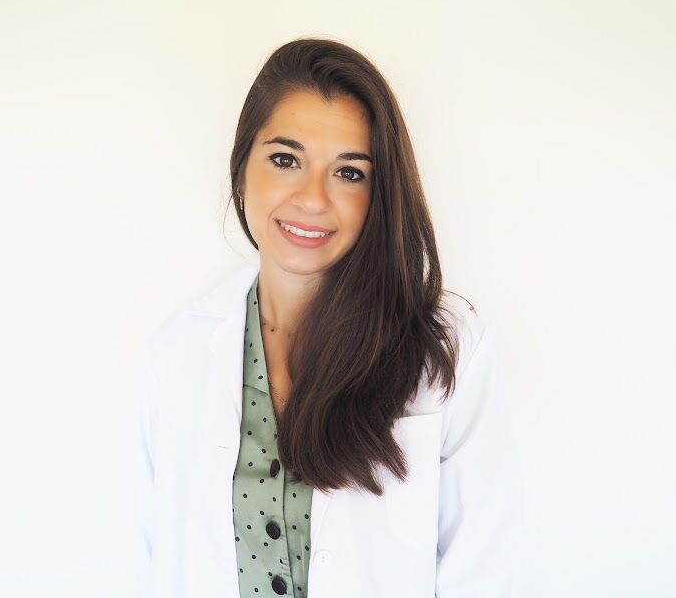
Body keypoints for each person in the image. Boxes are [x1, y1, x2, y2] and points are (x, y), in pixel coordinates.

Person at [134, 37, 522, 598]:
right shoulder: (176, 352)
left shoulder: (448, 354)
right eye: (285, 160)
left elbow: (482, 567)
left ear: (379, 192)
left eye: (349, 173)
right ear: (241, 170)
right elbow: (156, 556)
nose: (313, 199)